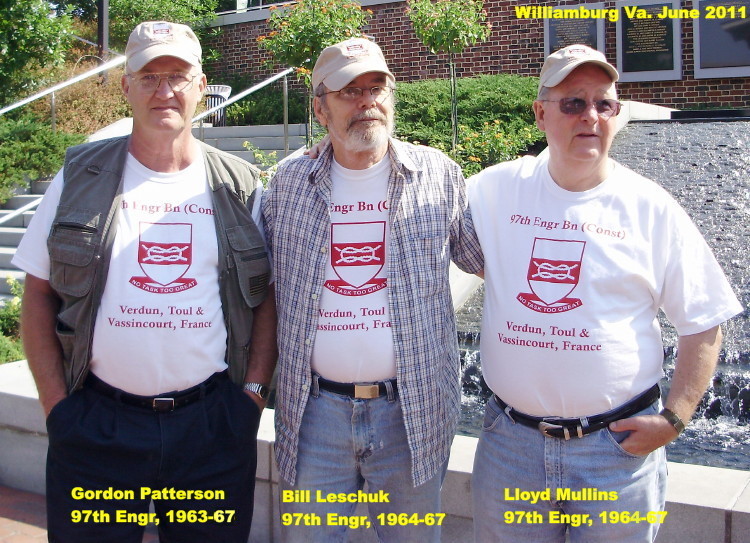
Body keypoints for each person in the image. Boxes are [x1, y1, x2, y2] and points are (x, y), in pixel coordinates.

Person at [467, 44, 743, 542]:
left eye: (604, 104)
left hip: (616, 453)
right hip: (511, 448)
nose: (590, 116)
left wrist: (674, 419)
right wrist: (335, 151)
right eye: (573, 102)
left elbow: (704, 318)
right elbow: (415, 203)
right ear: (540, 113)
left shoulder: (652, 208)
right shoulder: (492, 191)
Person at [14, 21, 277, 543]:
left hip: (211, 430)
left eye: (178, 75)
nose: (165, 90)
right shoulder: (79, 176)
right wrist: (58, 410)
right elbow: (38, 295)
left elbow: (267, 296)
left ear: (202, 85)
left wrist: (249, 397)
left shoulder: (239, 184)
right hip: (98, 429)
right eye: (149, 75)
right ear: (125, 86)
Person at [262, 37, 484, 542]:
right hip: (315, 414)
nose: (367, 101)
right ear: (321, 109)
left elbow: (488, 263)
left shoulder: (439, 175)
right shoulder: (288, 183)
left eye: (377, 87)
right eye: (349, 91)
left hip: (412, 413)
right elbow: (257, 283)